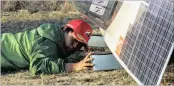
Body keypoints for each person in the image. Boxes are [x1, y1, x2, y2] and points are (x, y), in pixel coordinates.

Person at [1, 19, 94, 75]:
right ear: (67, 30)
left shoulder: (59, 40)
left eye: (80, 45)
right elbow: (38, 66)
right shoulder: (46, 40)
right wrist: (75, 66)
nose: (75, 46)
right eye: (75, 40)